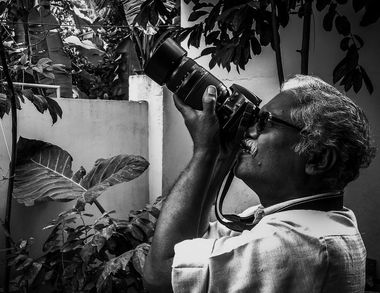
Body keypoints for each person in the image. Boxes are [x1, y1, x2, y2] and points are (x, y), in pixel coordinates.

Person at [143, 75, 376, 293]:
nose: (249, 130)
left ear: (318, 158)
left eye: (264, 122)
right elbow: (194, 240)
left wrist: (204, 152)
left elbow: (160, 276)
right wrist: (223, 156)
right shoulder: (314, 221)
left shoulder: (295, 246)